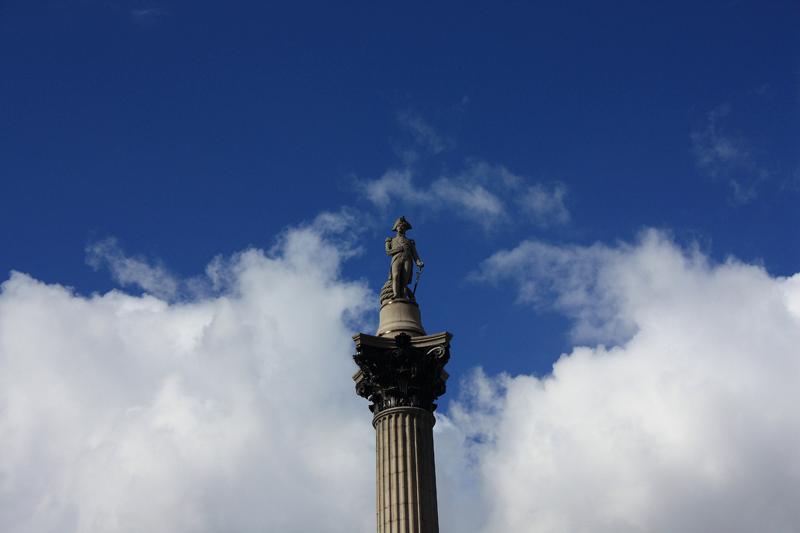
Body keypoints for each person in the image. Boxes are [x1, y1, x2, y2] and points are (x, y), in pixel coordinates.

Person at [383, 216, 424, 301]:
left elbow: (415, 255)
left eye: (403, 227)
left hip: (407, 259)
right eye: (399, 226)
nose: (401, 228)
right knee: (396, 275)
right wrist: (398, 249)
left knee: (404, 280)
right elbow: (388, 252)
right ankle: (396, 294)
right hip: (396, 258)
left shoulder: (410, 242)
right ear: (396, 228)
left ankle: (404, 296)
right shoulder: (390, 240)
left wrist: (419, 263)